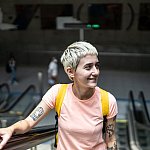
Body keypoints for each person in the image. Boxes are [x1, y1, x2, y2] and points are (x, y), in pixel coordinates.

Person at [0, 41, 118, 150]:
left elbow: (111, 140)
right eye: (88, 67)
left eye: (97, 66)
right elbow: (28, 122)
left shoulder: (107, 100)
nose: (96, 72)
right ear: (71, 72)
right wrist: (11, 129)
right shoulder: (57, 93)